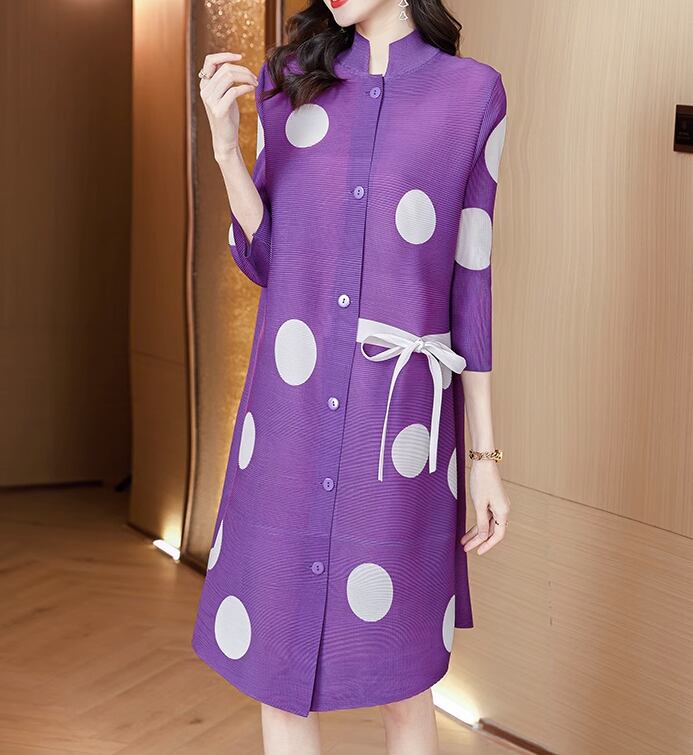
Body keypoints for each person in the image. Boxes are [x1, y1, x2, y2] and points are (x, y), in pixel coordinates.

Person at [192, 0, 512, 750]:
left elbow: (471, 281)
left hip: (397, 431)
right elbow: (268, 257)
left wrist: (484, 457)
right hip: (290, 416)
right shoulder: (287, 81)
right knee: (278, 676)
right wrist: (226, 150)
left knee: (403, 681)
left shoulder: (472, 94)